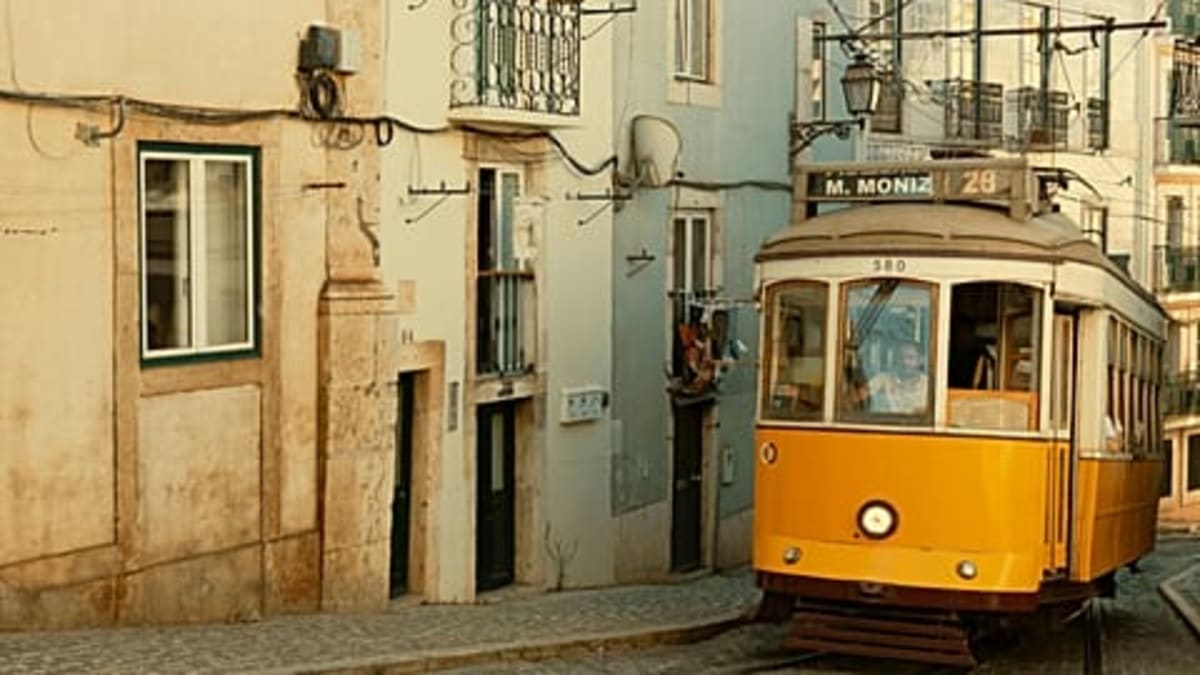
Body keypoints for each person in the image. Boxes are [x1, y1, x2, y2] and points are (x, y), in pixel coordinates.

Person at [867, 341, 929, 415]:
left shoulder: (928, 385)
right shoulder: (883, 379)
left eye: (910, 357)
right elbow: (858, 397)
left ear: (920, 360)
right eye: (901, 357)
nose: (905, 362)